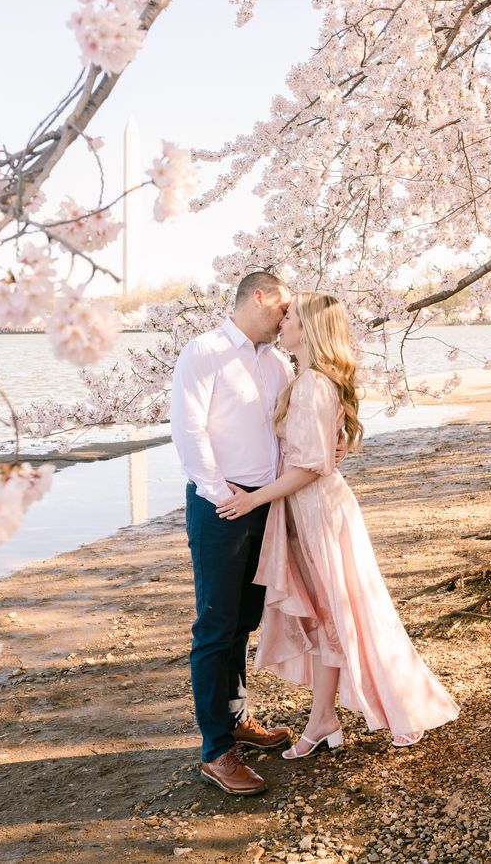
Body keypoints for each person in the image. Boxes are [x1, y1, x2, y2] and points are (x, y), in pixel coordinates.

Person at [217, 292, 460, 758]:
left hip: (317, 512)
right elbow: (318, 455)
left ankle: (338, 717)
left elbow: (309, 467)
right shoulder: (310, 380)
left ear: (307, 329)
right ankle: (323, 718)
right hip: (312, 508)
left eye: (289, 319)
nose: (281, 325)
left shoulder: (312, 384)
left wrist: (252, 500)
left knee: (337, 616)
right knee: (328, 617)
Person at [171, 271, 346, 795]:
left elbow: (288, 432)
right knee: (215, 625)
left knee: (244, 621)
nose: (287, 318)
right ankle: (216, 751)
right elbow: (189, 427)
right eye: (284, 307)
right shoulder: (204, 352)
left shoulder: (274, 362)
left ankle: (238, 718)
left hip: (267, 506)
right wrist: (219, 492)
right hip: (221, 506)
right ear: (261, 297)